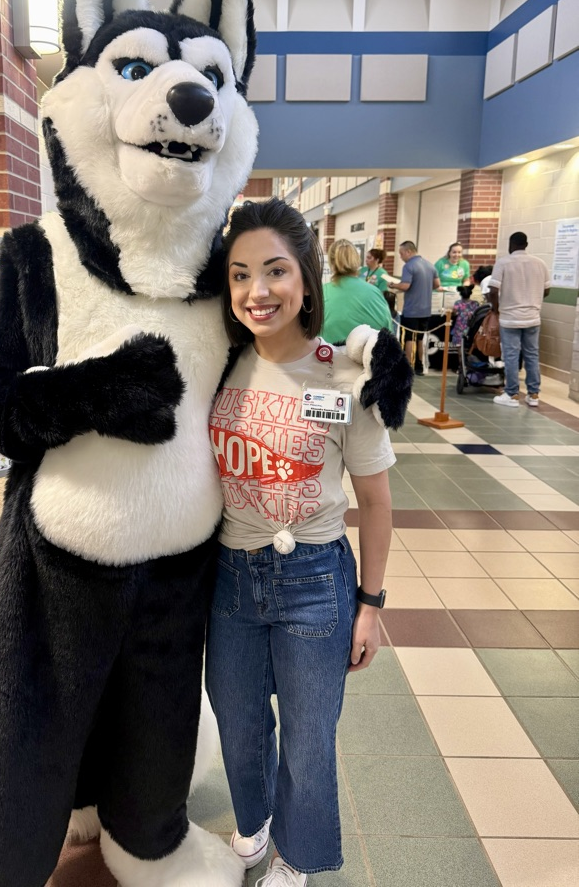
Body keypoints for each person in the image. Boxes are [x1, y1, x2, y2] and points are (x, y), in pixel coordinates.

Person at [207, 199, 396, 887]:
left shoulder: (342, 373)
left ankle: (301, 854)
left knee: (310, 740)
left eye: (276, 272)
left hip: (315, 580)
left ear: (307, 281)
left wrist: (369, 605)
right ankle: (254, 824)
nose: (258, 292)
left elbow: (375, 502)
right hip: (231, 578)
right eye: (240, 275)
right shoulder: (218, 368)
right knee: (236, 719)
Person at [489, 231, 550, 407]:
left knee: (511, 355)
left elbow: (493, 290)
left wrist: (496, 308)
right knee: (532, 354)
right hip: (532, 317)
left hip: (510, 318)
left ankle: (512, 394)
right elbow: (546, 290)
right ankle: (533, 395)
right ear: (526, 244)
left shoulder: (504, 263)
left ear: (511, 244)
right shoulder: (540, 263)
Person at [322, 239, 394, 343]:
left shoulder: (321, 293)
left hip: (327, 356)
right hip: (368, 357)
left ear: (331, 262)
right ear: (357, 260)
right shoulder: (375, 293)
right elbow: (388, 333)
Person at [389, 241, 441, 374]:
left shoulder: (408, 266)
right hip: (426, 310)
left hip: (412, 310)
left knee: (409, 338)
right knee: (420, 338)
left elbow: (405, 286)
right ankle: (419, 365)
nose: (400, 257)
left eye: (401, 253)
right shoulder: (430, 265)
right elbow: (437, 285)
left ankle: (407, 365)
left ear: (408, 252)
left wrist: (393, 285)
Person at [450, 284, 479, 349]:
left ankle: (460, 358)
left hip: (459, 328)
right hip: (471, 327)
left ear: (460, 294)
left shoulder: (458, 303)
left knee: (459, 346)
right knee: (470, 345)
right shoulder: (475, 304)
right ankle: (468, 358)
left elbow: (454, 314)